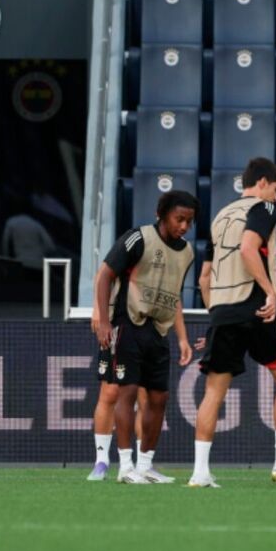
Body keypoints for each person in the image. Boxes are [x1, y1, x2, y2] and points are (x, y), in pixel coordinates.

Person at [189, 158, 276, 488]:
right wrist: (270, 292)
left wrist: (215, 318)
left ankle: (200, 472)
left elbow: (204, 278)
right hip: (256, 307)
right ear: (264, 183)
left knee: (213, 391)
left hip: (223, 311)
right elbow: (248, 249)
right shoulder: (263, 208)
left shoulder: (220, 217)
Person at [88, 190, 197, 484]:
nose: (184, 227)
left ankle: (145, 465)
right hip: (128, 324)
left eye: (189, 221)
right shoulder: (138, 238)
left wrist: (183, 338)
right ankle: (122, 466)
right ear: (162, 215)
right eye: (179, 219)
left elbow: (173, 296)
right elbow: (105, 275)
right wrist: (104, 319)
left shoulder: (187, 252)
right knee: (124, 393)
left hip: (158, 330)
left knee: (159, 398)